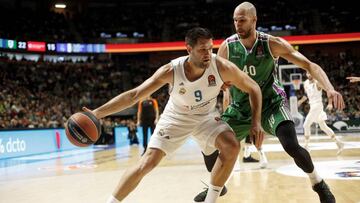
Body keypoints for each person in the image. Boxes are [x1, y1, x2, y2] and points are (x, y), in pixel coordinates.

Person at [83, 27, 264, 203]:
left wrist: (256, 123)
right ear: (189, 49)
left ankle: (210, 200)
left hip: (206, 117)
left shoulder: (221, 67)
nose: (208, 54)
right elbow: (134, 95)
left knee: (232, 146)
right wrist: (97, 113)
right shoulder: (171, 70)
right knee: (147, 163)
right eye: (202, 49)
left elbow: (254, 88)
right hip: (177, 117)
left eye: (210, 48)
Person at [194, 2, 345, 203]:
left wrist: (330, 88)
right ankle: (218, 186)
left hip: (271, 104)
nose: (237, 24)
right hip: (240, 108)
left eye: (242, 20)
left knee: (291, 144)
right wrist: (221, 98)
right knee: (209, 144)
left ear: (254, 20)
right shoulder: (227, 47)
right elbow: (219, 81)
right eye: (235, 20)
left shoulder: (271, 43)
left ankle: (318, 183)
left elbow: (309, 65)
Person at [298, 72, 344, 154]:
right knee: (323, 127)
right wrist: (301, 101)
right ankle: (339, 143)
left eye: (310, 73)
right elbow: (306, 95)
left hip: (318, 105)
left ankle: (306, 146)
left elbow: (328, 90)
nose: (309, 75)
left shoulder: (317, 82)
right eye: (308, 73)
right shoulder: (305, 83)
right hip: (312, 106)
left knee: (306, 125)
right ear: (306, 74)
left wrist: (330, 103)